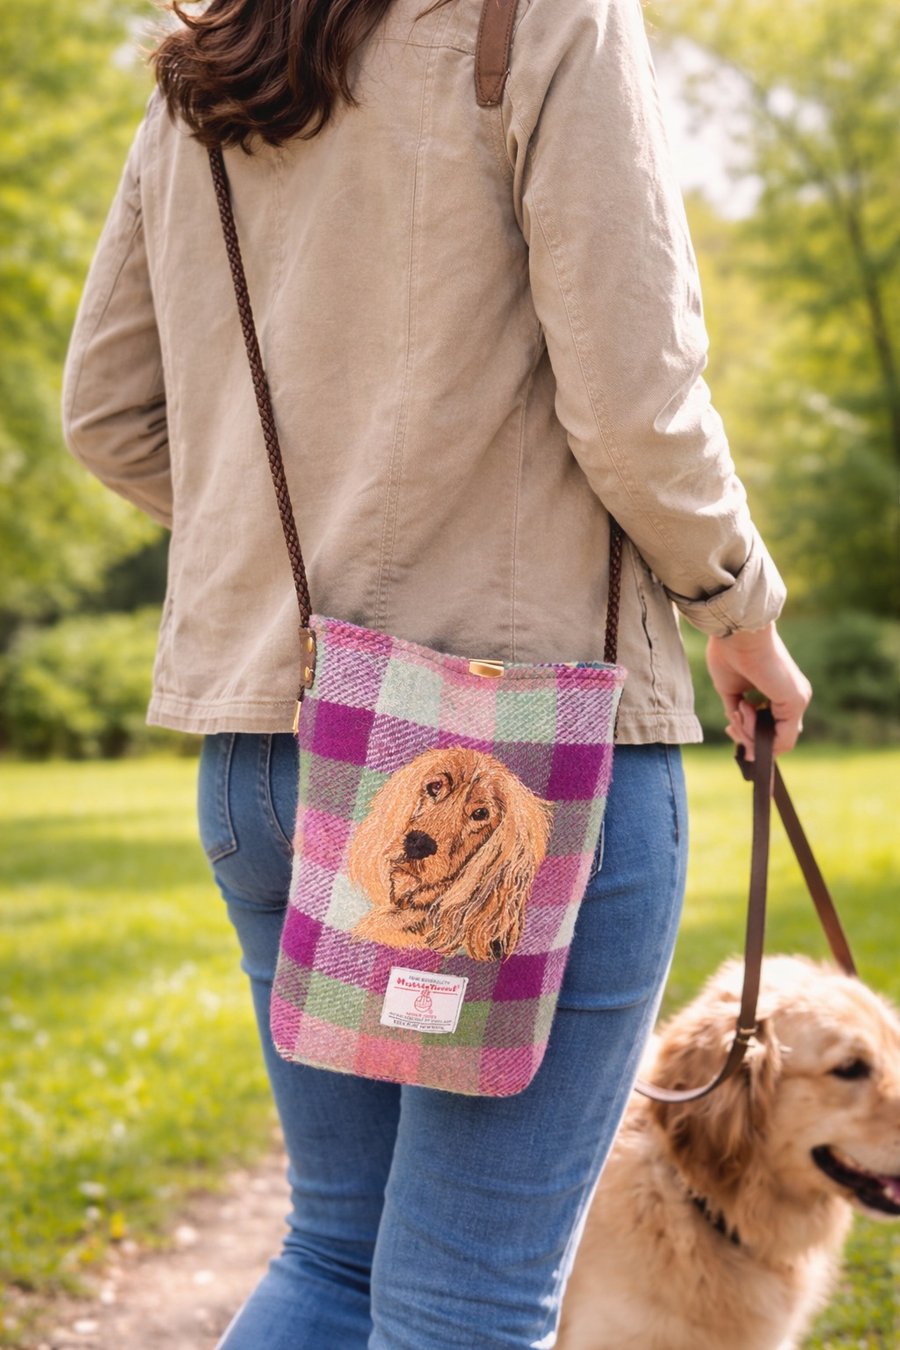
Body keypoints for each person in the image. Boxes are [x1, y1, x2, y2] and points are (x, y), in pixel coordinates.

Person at [62, 0, 811, 1344]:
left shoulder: (212, 61)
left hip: (269, 750)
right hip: (513, 761)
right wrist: (736, 605)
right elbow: (637, 404)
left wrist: (307, 568)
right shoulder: (546, 19)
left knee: (337, 1254)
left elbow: (107, 412)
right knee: (467, 1286)